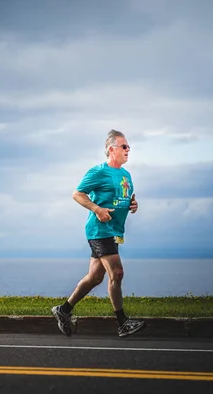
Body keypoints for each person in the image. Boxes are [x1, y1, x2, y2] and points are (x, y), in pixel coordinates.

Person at [52, 129, 146, 338]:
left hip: (115, 231)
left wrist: (132, 204)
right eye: (124, 146)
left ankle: (63, 310)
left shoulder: (125, 174)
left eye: (129, 146)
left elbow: (123, 197)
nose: (128, 149)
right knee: (117, 273)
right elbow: (77, 194)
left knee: (95, 277)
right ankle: (122, 323)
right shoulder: (98, 172)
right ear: (111, 149)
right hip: (99, 230)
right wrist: (97, 209)